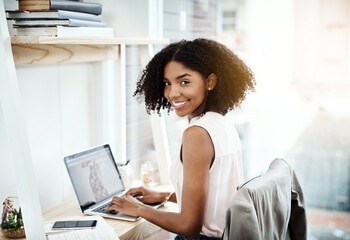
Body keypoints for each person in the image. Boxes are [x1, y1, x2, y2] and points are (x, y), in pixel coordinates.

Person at [107, 38, 255, 239]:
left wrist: (138, 209)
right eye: (167, 83)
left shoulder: (196, 134)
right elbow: (215, 196)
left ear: (210, 82)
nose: (172, 93)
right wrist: (163, 196)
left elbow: (189, 226)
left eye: (184, 82)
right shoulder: (221, 122)